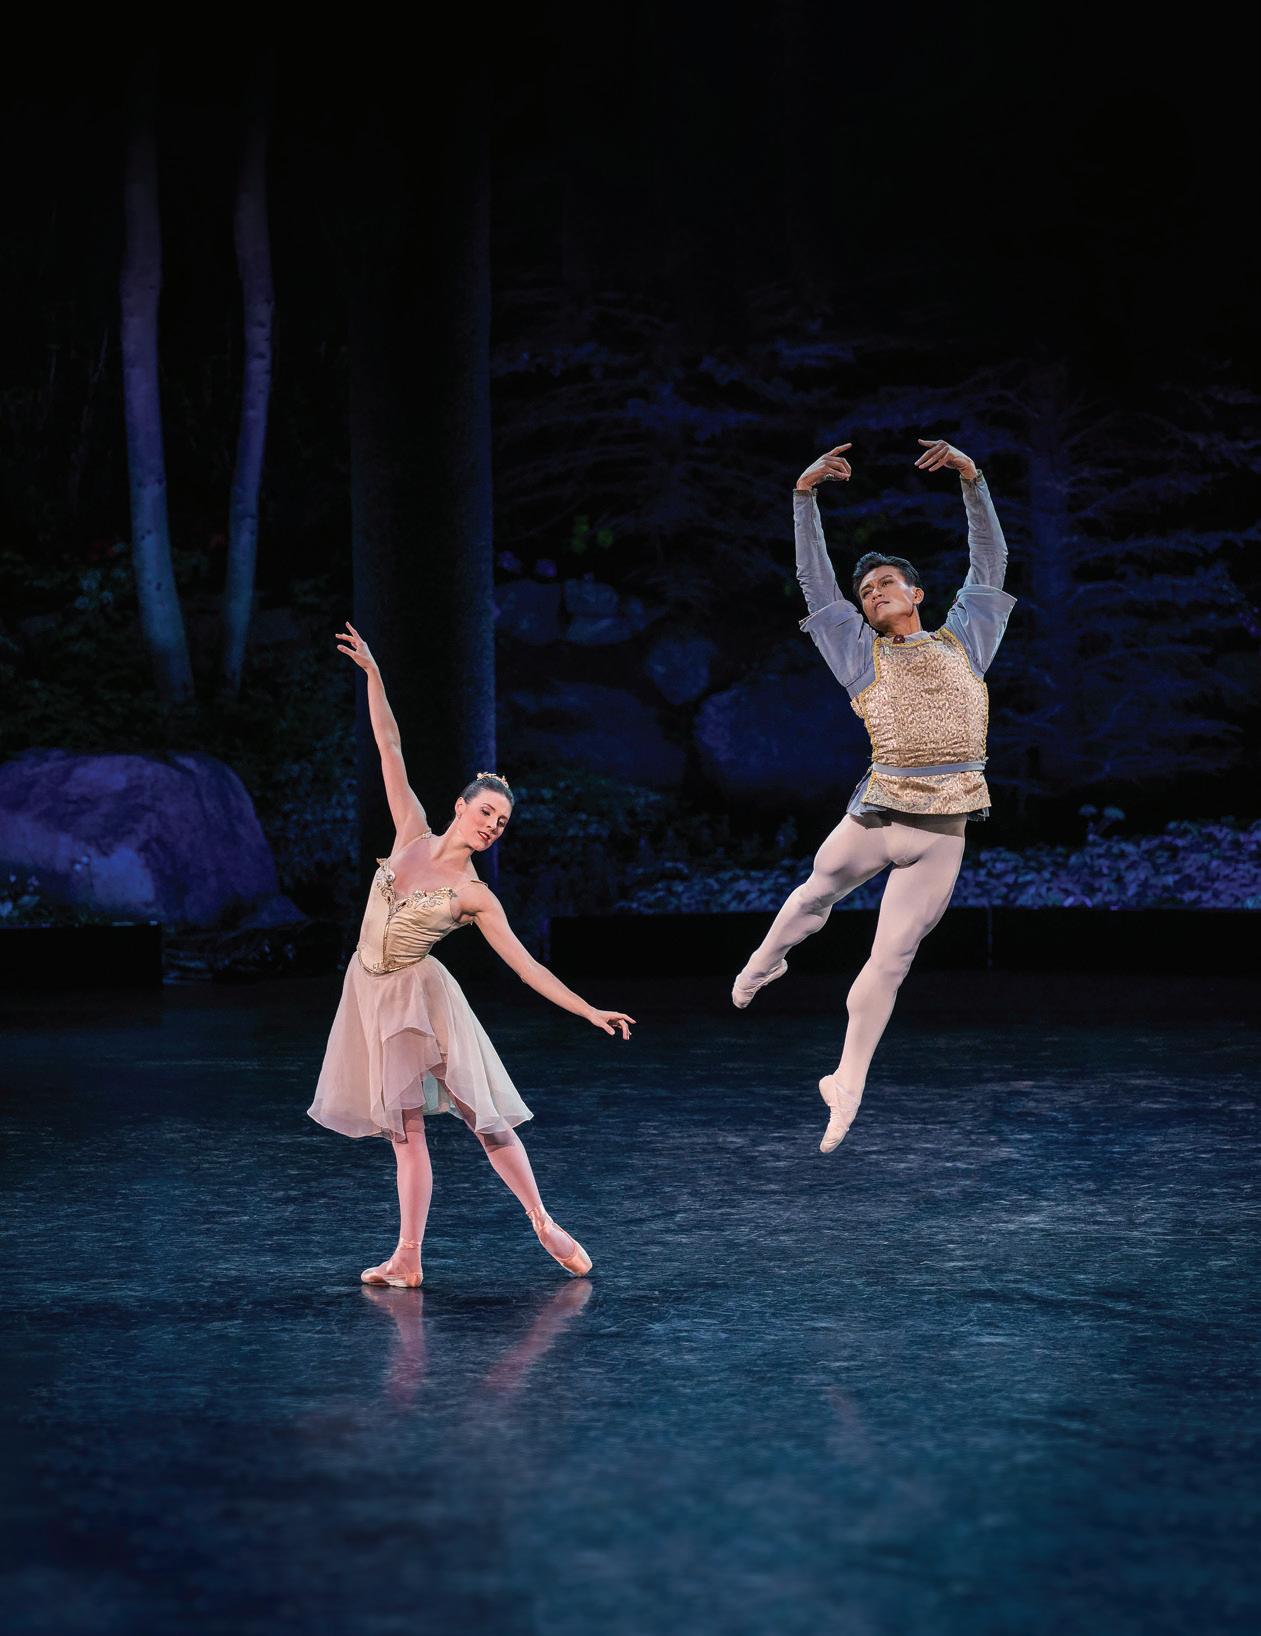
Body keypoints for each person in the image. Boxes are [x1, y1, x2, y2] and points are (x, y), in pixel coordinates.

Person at [308, 623, 635, 1286]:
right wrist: (374, 676)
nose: (491, 825)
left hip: (420, 999)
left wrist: (587, 1009)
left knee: (480, 1115)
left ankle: (542, 1220)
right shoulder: (410, 832)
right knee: (405, 1133)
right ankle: (407, 1257)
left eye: (501, 822)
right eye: (485, 812)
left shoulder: (474, 895)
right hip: (369, 993)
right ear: (460, 807)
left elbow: (526, 966)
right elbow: (389, 746)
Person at [732, 438, 1016, 1153]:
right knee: (813, 896)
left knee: (891, 960)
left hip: (941, 834)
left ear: (916, 594)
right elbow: (814, 583)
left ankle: (846, 1084)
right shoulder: (858, 654)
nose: (875, 592)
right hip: (878, 817)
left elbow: (990, 563)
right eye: (866, 591)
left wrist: (972, 479)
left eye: (887, 583)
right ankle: (765, 960)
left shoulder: (966, 641)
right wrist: (803, 498)